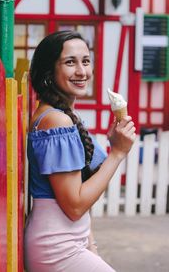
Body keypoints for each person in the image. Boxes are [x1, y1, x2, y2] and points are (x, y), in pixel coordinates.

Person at [24, 30, 136, 272]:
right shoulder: (56, 121)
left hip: (69, 242)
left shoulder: (63, 116)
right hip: (56, 248)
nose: (81, 71)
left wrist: (90, 244)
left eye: (85, 61)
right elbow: (74, 205)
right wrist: (117, 153)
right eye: (69, 62)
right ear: (49, 71)